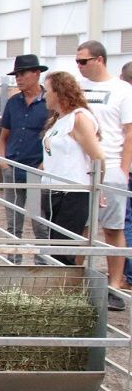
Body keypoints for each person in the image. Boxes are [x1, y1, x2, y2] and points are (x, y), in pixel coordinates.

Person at [75, 40, 132, 310]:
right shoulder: (77, 87)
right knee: (79, 226)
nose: (79, 66)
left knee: (113, 228)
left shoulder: (122, 90)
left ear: (99, 59)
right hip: (79, 168)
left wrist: (122, 169)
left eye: (83, 61)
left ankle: (115, 285)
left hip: (109, 167)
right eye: (78, 61)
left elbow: (129, 131)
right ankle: (74, 281)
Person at [40, 71, 104, 267]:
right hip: (54, 190)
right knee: (54, 245)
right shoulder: (60, 120)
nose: (44, 96)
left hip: (73, 191)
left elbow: (98, 157)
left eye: (47, 91)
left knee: (63, 250)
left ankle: (65, 293)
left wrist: (97, 189)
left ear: (59, 92)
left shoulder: (79, 118)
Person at [0, 54, 51, 262]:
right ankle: (14, 262)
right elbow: (4, 135)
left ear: (36, 74)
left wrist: (43, 165)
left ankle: (42, 264)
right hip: (12, 166)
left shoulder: (49, 103)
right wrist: (2, 160)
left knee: (39, 221)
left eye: (22, 73)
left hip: (36, 169)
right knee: (13, 220)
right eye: (17, 74)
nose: (19, 78)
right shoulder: (13, 102)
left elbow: (53, 138)